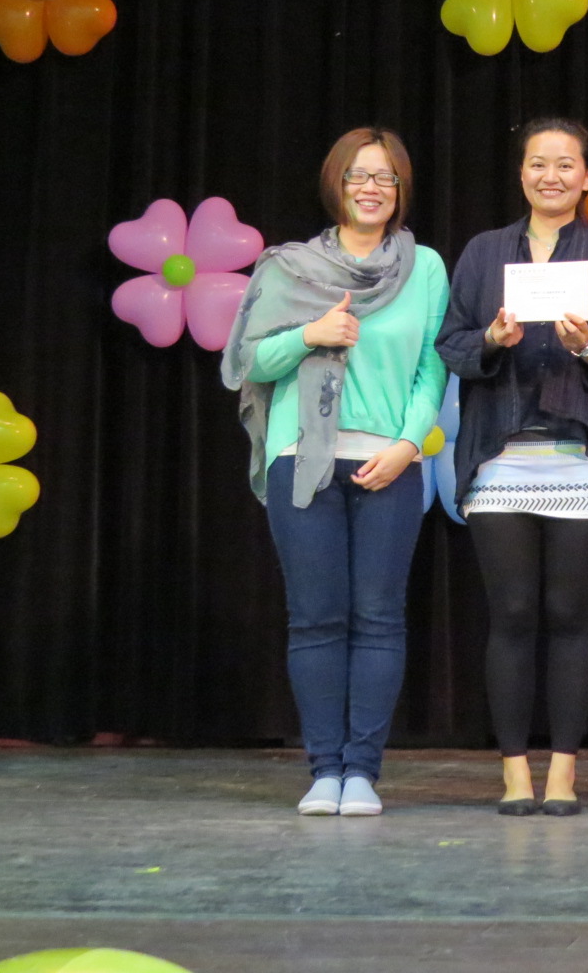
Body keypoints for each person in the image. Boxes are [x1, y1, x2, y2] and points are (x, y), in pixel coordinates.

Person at [222, 126, 450, 817]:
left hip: (388, 461)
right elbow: (248, 362)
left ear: (401, 189)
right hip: (303, 460)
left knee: (378, 618)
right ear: (336, 184)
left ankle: (362, 774)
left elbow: (431, 367)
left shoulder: (425, 267)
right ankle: (324, 770)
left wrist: (407, 447)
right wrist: (309, 335)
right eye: (358, 175)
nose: (371, 188)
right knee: (316, 619)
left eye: (385, 177)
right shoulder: (290, 269)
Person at [435, 118, 588, 816]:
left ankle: (564, 774)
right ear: (521, 173)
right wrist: (492, 339)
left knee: (569, 613)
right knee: (514, 613)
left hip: (579, 457)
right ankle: (515, 771)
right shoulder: (485, 251)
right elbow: (451, 344)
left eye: (566, 164)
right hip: (500, 457)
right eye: (538, 164)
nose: (551, 176)